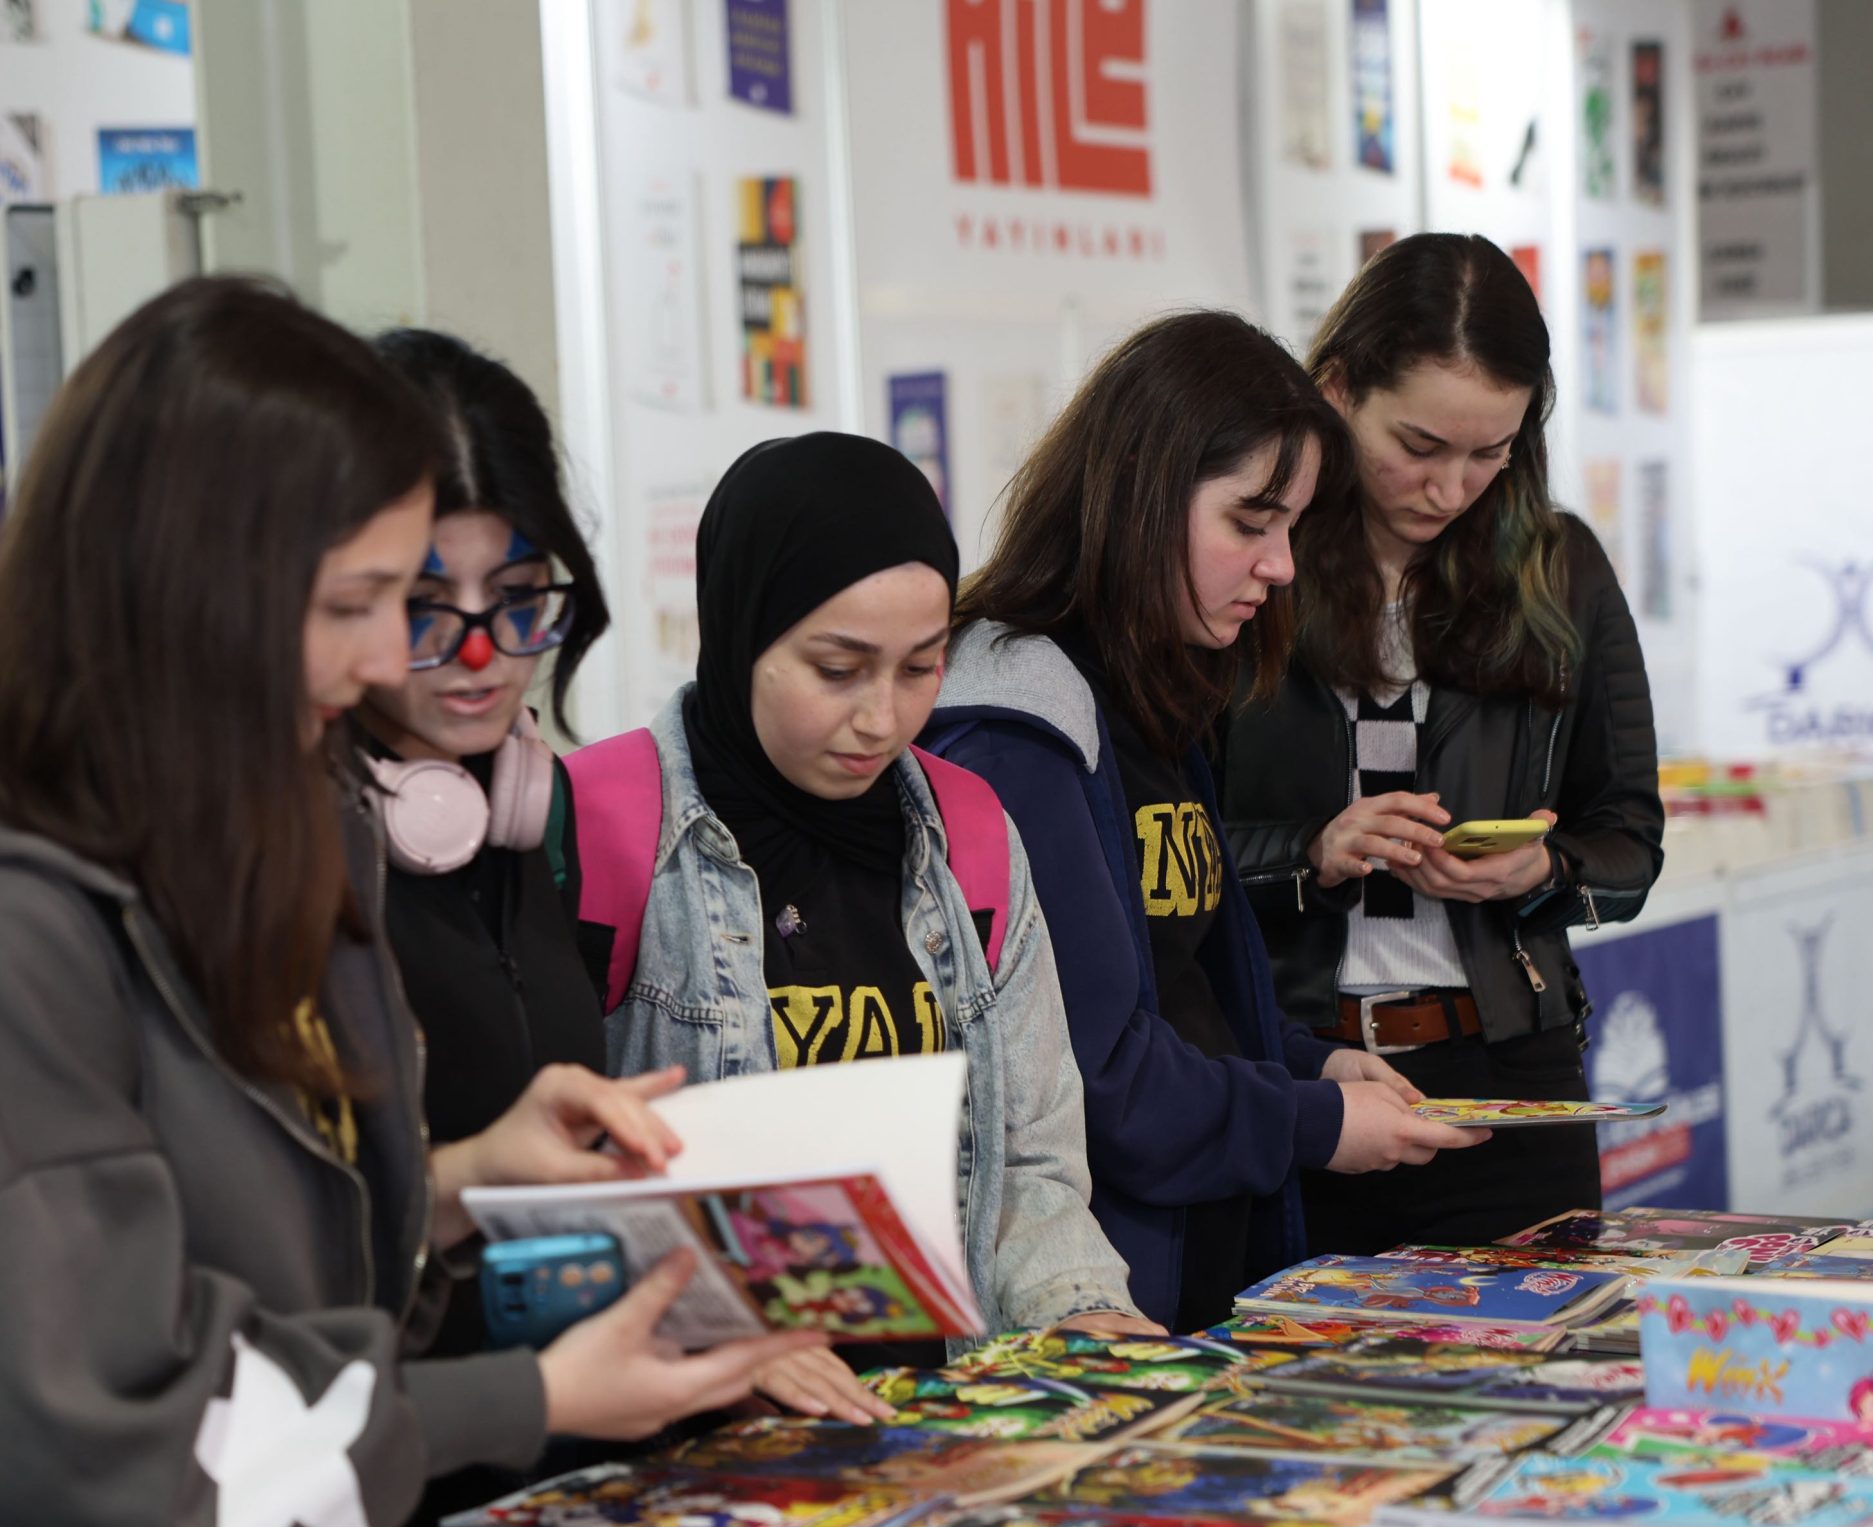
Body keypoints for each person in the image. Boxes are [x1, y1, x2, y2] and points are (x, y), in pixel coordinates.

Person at [0, 279, 812, 1527]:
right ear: (186, 584)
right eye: (356, 605)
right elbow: (106, 1414)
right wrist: (524, 1397)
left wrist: (456, 1182)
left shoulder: (247, 837)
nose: (379, 661)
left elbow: (231, 1271)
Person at [580, 432, 1161, 1422]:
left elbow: (1026, 1163)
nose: (881, 719)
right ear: (737, 629)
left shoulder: (968, 832)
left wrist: (1084, 1316)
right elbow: (550, 1192)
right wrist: (726, 1332)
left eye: (919, 668)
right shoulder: (598, 825)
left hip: (927, 1417)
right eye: (838, 669)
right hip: (691, 1427)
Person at [925, 311, 1479, 1335]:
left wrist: (1304, 1061)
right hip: (1096, 1301)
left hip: (1195, 1264)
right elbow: (1096, 1077)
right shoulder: (1018, 726)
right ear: (1139, 493)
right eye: (1248, 523)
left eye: (1290, 530)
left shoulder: (1158, 693)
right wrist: (1310, 1120)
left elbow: (1186, 991)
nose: (1278, 569)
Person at [1220, 233, 1663, 1256]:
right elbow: (1162, 846)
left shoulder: (1561, 571)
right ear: (1335, 390)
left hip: (1508, 1082)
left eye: (1490, 452)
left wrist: (1538, 868)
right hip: (1293, 1075)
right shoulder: (1246, 572)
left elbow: (1629, 843)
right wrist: (1309, 853)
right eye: (1417, 447)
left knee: (1529, 1392)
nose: (1449, 487)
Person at [349, 329, 615, 1358]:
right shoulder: (286, 854)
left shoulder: (528, 816)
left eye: (515, 601)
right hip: (394, 1455)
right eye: (422, 608)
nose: (479, 654)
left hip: (570, 1427)